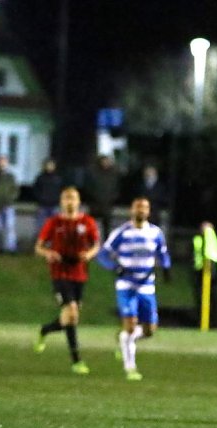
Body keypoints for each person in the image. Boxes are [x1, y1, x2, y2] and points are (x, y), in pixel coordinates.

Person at [97, 197, 171, 381]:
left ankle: (124, 340)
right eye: (138, 207)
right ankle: (130, 367)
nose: (141, 210)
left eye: (145, 207)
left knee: (149, 331)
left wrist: (166, 267)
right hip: (126, 285)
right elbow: (103, 255)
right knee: (130, 325)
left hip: (147, 286)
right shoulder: (121, 233)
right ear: (131, 210)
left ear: (149, 211)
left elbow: (163, 254)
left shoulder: (155, 233)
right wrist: (116, 267)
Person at [33, 187, 100, 374]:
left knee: (70, 318)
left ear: (78, 202)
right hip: (60, 273)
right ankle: (77, 361)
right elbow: (38, 247)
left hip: (79, 273)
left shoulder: (87, 222)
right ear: (61, 202)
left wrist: (89, 254)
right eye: (66, 198)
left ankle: (45, 330)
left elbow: (96, 245)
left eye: (73, 198)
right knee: (71, 313)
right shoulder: (54, 222)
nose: (70, 201)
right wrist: (49, 253)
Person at [192, 221, 217, 327]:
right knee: (201, 299)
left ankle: (214, 321)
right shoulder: (197, 241)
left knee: (214, 299)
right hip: (200, 273)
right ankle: (201, 321)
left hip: (214, 274)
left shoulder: (216, 242)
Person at [86, 154, 120, 237]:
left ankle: (107, 242)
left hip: (107, 204)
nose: (105, 163)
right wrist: (93, 197)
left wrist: (113, 198)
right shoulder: (93, 172)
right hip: (95, 203)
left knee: (107, 226)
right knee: (91, 224)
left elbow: (117, 187)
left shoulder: (113, 173)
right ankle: (91, 240)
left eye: (107, 161)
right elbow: (88, 187)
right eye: (103, 161)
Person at [33, 158, 63, 235]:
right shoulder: (40, 178)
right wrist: (40, 198)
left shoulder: (58, 178)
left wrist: (58, 200)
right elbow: (36, 190)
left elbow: (61, 190)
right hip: (42, 205)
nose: (49, 167)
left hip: (54, 205)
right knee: (40, 226)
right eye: (48, 165)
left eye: (51, 165)